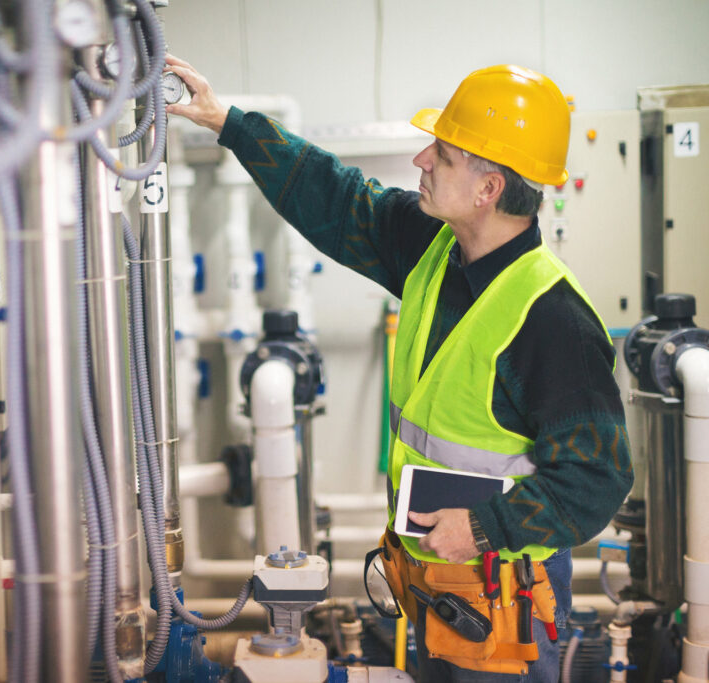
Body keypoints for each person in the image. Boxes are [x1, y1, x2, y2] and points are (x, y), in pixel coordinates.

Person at [165, 56, 633, 682]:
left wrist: (485, 528)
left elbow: (597, 480)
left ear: (489, 188)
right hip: (432, 589)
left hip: (504, 603)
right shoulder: (434, 249)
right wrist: (227, 121)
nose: (421, 161)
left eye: (441, 153)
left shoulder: (554, 322)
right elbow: (336, 196)